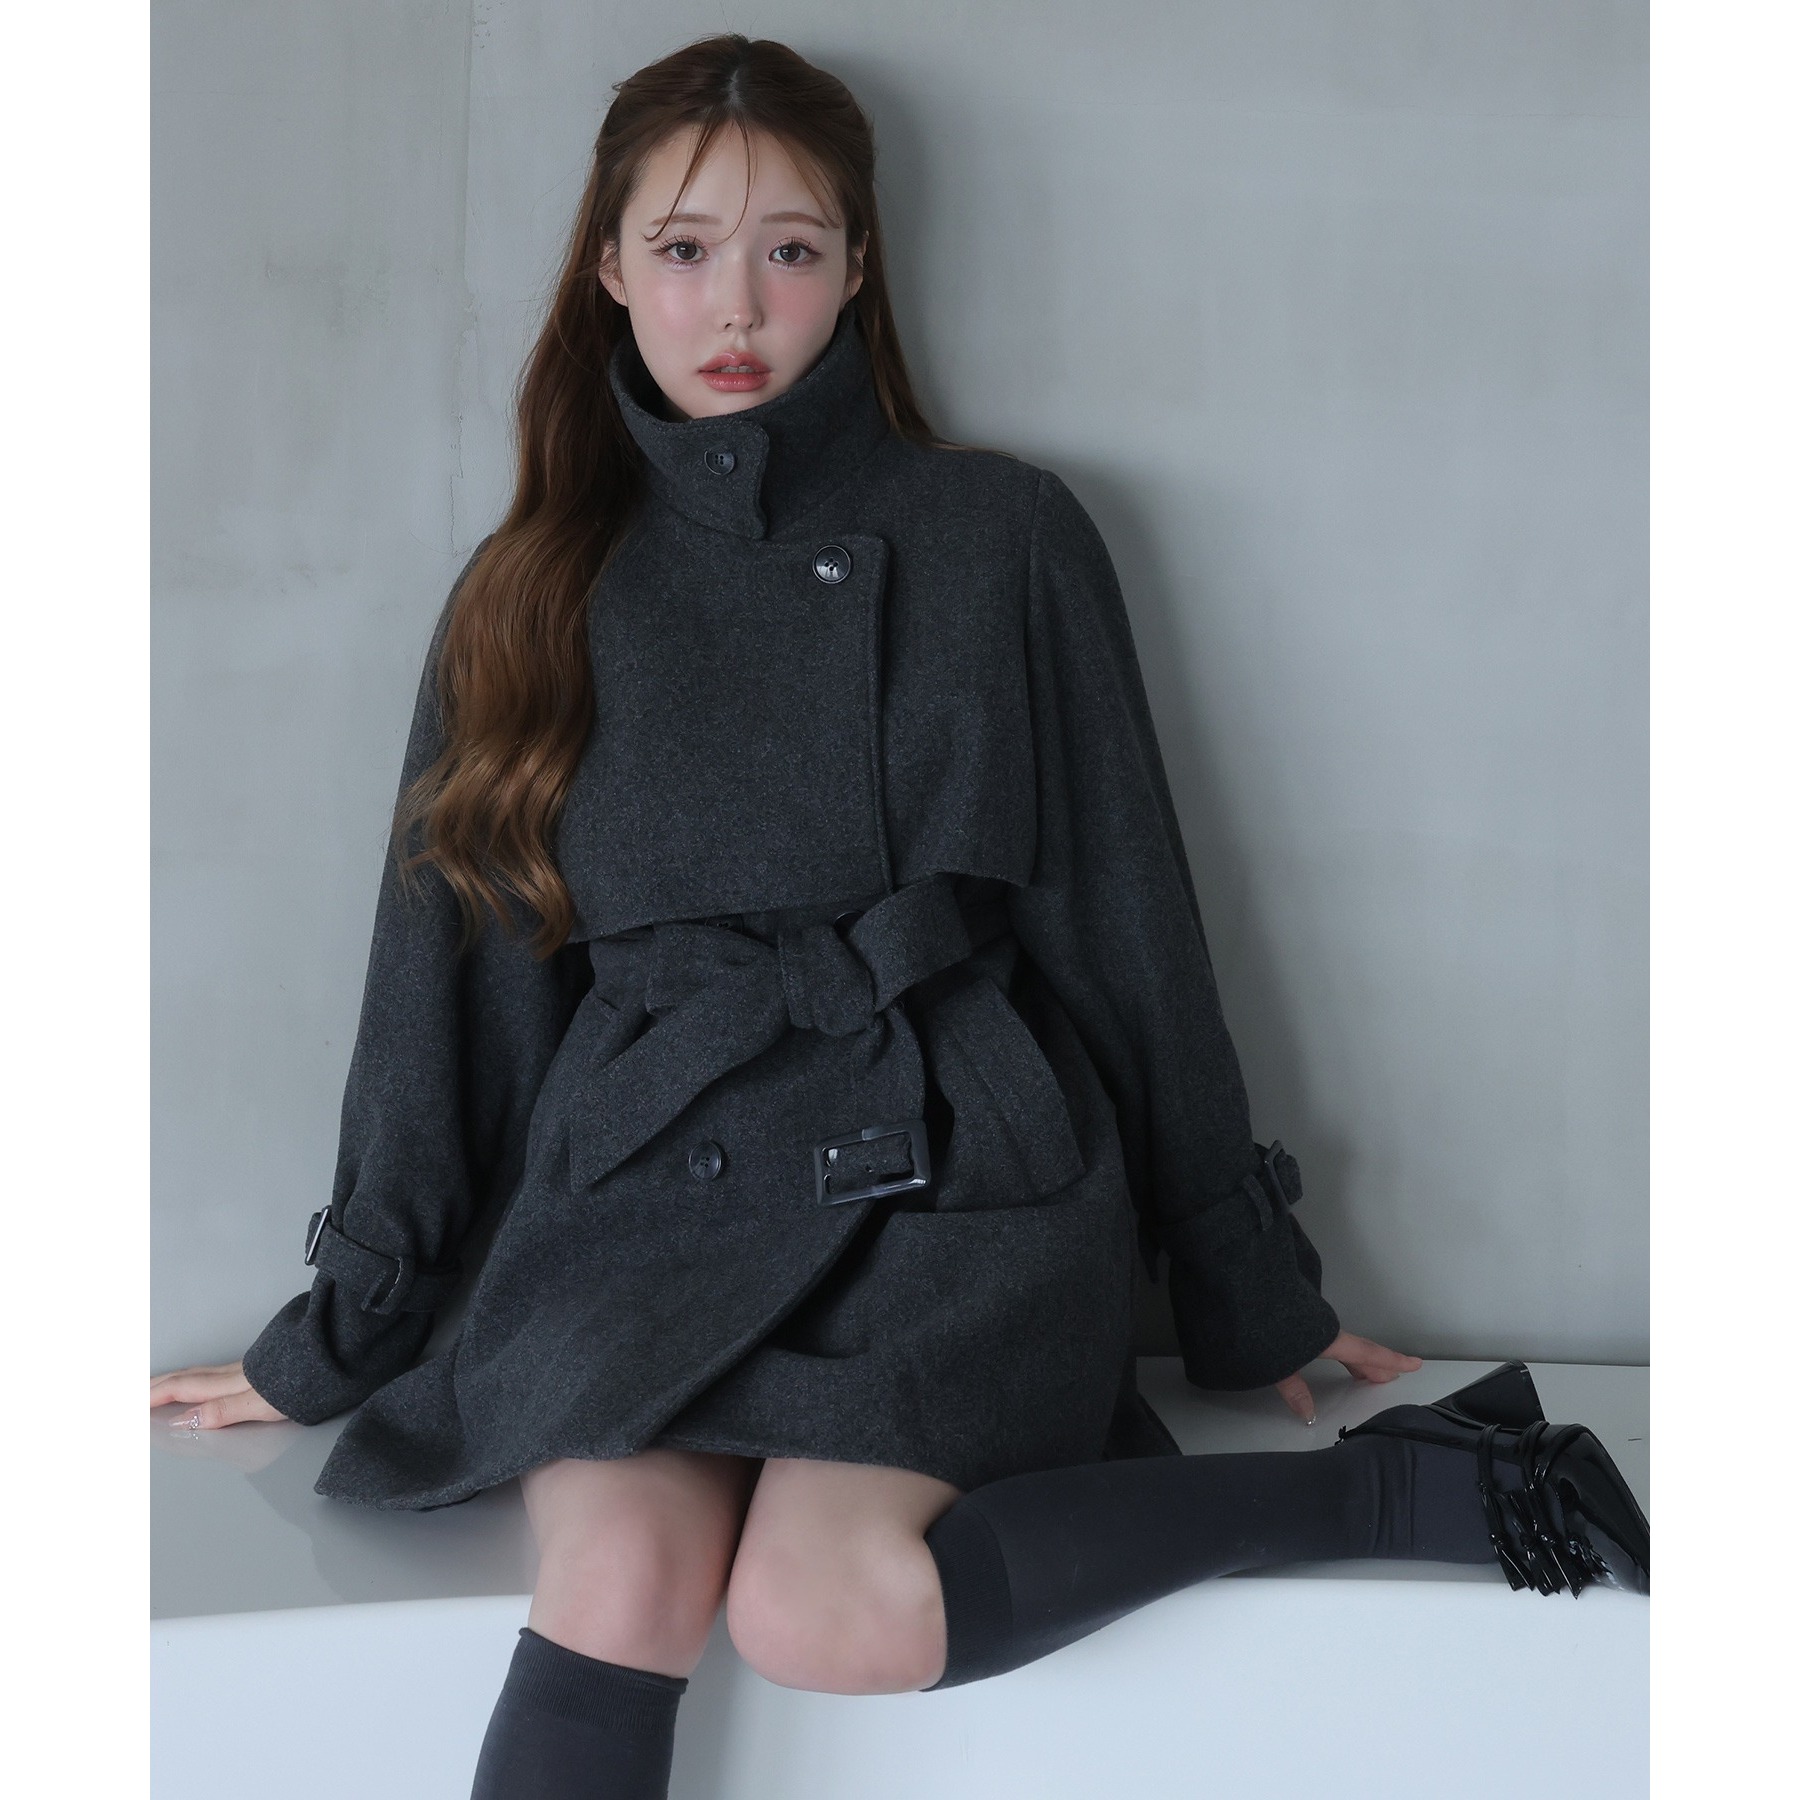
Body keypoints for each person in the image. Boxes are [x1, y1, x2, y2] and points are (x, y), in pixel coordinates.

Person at [150, 32, 1648, 1800]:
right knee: (618, 1580)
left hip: (958, 1178)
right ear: (609, 268)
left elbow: (1129, 922)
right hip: (644, 1186)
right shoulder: (531, 589)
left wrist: (1246, 1282)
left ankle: (1400, 1489)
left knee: (821, 1610)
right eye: (685, 247)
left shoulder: (1002, 534)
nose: (737, 303)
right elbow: (448, 989)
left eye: (790, 247)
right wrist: (344, 1325)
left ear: (858, 267)